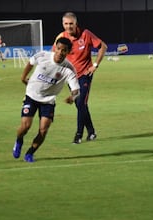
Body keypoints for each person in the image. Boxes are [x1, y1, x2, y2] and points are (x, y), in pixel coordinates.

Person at [12, 37, 80, 162]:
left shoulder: (69, 69)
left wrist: (72, 97)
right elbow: (31, 63)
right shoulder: (43, 55)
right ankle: (19, 140)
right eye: (59, 49)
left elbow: (76, 89)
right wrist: (23, 77)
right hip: (31, 95)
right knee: (25, 126)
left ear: (68, 52)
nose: (60, 52)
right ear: (55, 47)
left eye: (64, 50)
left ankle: (30, 153)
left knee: (43, 130)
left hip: (48, 101)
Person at [54, 12, 108, 144]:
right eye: (66, 24)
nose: (68, 26)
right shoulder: (61, 37)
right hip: (70, 77)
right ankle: (91, 132)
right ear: (63, 24)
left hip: (85, 74)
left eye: (71, 23)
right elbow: (54, 55)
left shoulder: (86, 34)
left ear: (76, 23)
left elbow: (103, 46)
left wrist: (95, 65)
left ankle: (78, 135)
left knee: (80, 102)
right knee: (80, 104)